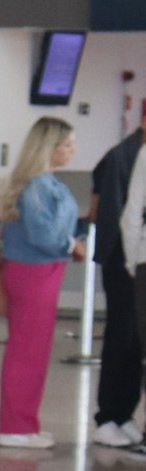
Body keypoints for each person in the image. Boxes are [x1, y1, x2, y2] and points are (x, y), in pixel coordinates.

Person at [0, 117, 83, 450]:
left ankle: (25, 423)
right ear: (50, 147)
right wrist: (71, 245)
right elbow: (43, 234)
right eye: (68, 145)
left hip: (43, 271)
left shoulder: (46, 184)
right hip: (33, 272)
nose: (73, 151)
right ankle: (15, 426)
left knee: (35, 349)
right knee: (26, 350)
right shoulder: (36, 186)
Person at [88, 113, 145, 446]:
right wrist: (128, 261)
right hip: (123, 261)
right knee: (121, 337)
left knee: (136, 341)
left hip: (135, 259)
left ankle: (125, 413)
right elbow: (115, 212)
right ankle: (107, 415)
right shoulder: (123, 155)